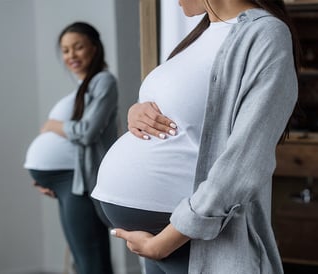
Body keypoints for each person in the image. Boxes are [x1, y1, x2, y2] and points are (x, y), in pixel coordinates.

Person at [91, 0, 300, 273]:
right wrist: (137, 111)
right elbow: (186, 113)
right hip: (161, 238)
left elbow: (247, 160)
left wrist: (165, 241)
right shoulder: (201, 34)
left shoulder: (266, 34)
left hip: (188, 238)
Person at [23, 21, 117, 274]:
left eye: (78, 47)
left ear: (94, 48)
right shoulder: (82, 86)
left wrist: (55, 125)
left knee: (91, 260)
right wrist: (46, 177)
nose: (71, 55)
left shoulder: (104, 81)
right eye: (65, 50)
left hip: (79, 183)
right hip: (65, 183)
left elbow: (88, 132)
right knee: (82, 257)